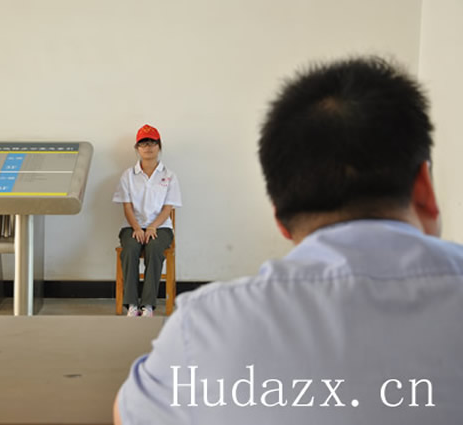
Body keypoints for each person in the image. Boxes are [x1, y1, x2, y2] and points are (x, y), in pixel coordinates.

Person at [114, 57, 463, 424]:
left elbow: (128, 415)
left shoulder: (204, 324)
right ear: (425, 191)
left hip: (159, 233)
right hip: (137, 228)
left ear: (279, 214)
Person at [112, 124, 182, 317]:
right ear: (137, 148)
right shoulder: (128, 175)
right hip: (132, 227)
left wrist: (152, 227)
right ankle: (132, 304)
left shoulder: (169, 176)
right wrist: (137, 227)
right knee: (130, 250)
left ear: (159, 146)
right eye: (143, 144)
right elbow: (127, 206)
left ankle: (148, 305)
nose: (148, 147)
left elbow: (168, 208)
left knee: (154, 248)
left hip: (161, 228)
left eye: (152, 143)